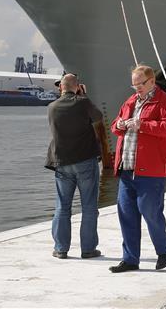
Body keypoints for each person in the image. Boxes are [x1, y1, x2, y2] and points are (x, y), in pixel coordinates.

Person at [109, 65, 166, 273]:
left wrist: (143, 125)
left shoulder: (165, 102)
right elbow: (114, 125)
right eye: (134, 84)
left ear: (151, 81)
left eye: (140, 83)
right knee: (126, 215)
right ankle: (130, 259)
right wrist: (120, 125)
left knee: (151, 212)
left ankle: (163, 250)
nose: (136, 88)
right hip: (126, 168)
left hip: (151, 170)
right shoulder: (130, 101)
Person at [45, 74, 110, 260]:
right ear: (77, 87)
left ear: (61, 88)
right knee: (89, 207)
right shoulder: (82, 103)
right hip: (84, 161)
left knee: (62, 207)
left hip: (61, 162)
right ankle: (88, 249)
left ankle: (60, 248)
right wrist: (84, 96)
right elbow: (98, 117)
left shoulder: (52, 107)